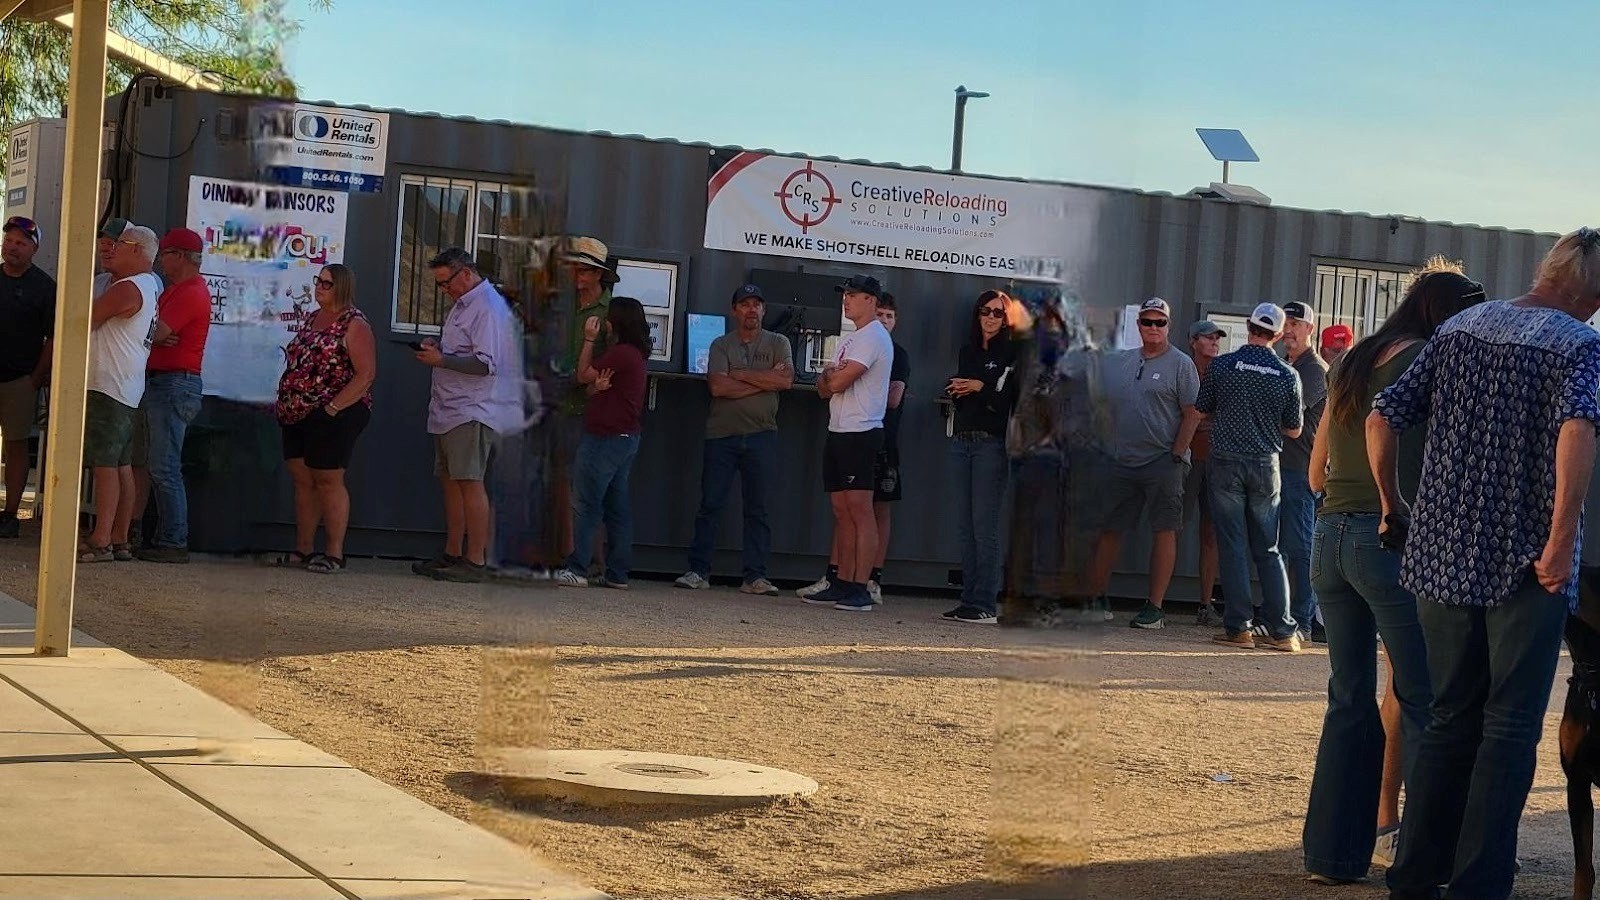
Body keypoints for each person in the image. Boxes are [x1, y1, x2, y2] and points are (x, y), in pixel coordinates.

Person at [1371, 228, 1600, 900]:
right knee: (1508, 729)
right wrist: (1560, 540)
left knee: (1448, 717)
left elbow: (1384, 416)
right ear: (1589, 290)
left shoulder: (1462, 325)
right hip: (1528, 565)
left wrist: (1393, 506)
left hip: (1441, 552)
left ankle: (1415, 877)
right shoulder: (1580, 345)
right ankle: (1478, 886)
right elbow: (1579, 429)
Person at [1300, 265, 1486, 885]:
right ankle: (1428, 858)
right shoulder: (1430, 360)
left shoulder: (1352, 361)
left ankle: (1333, 855)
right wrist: (1394, 505)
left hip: (1328, 538)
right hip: (1387, 540)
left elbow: (1314, 475)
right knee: (1428, 697)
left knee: (1347, 699)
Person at [1086, 297, 1201, 629]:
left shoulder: (1181, 364)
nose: (1153, 328)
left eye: (1160, 322)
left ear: (1169, 325)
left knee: (1164, 530)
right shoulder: (1122, 360)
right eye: (1147, 322)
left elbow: (1193, 412)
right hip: (1121, 461)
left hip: (1163, 461)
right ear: (1138, 325)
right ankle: (1097, 598)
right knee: (1109, 529)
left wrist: (1177, 454)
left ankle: (1155, 608)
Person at [411, 248, 523, 584]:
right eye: (440, 285)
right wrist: (439, 349)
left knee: (469, 482)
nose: (444, 290)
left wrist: (441, 361)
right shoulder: (465, 304)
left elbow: (485, 364)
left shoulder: (487, 308)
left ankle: (475, 559)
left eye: (446, 283)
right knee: (451, 482)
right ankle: (453, 552)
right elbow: (464, 351)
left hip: (471, 408)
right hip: (450, 406)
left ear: (465, 273)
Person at [1197, 302, 1303, 652]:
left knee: (1233, 545)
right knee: (1269, 548)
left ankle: (1239, 627)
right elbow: (1294, 430)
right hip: (1265, 465)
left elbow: (1203, 406)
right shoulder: (1288, 374)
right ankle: (1284, 631)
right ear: (1277, 334)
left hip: (1226, 461)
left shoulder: (1223, 365)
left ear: (1248, 326)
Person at [674, 284, 793, 595]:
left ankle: (755, 577)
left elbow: (786, 380)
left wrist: (739, 374)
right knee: (710, 504)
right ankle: (698, 571)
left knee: (758, 509)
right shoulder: (720, 344)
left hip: (762, 435)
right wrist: (764, 381)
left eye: (757, 304)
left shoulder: (779, 342)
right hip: (721, 436)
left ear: (764, 310)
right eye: (744, 304)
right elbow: (718, 388)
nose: (751, 309)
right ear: (734, 310)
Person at [272, 263, 375, 574]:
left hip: (335, 412)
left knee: (328, 479)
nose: (319, 287)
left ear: (342, 287)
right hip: (297, 411)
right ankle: (303, 549)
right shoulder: (312, 318)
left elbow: (366, 374)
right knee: (303, 479)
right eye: (318, 281)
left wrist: (332, 408)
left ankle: (334, 553)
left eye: (327, 284)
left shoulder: (354, 324)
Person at [801, 274, 893, 613]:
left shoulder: (873, 337)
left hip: (861, 432)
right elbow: (823, 385)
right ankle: (840, 581)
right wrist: (829, 379)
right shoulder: (849, 339)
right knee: (841, 510)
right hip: (838, 429)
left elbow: (837, 381)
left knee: (860, 510)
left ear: (871, 300)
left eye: (853, 294)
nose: (847, 300)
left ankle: (860, 587)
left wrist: (830, 378)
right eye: (845, 294)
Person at [553, 296, 651, 589]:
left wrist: (587, 339)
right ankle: (617, 573)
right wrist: (597, 387)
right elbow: (595, 390)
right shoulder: (635, 354)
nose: (605, 322)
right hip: (624, 437)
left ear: (617, 322)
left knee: (585, 504)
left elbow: (583, 376)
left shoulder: (621, 353)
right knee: (616, 507)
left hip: (605, 438)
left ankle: (578, 568)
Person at [129, 228, 213, 564]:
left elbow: (156, 331)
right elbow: (156, 333)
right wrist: (155, 335)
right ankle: (162, 536)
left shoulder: (191, 292)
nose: (161, 259)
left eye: (165, 253)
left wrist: (154, 335)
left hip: (174, 384)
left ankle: (173, 540)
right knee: (157, 464)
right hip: (165, 382)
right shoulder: (177, 290)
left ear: (180, 256)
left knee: (164, 467)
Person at [79, 225, 161, 563]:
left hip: (108, 385)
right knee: (122, 465)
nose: (112, 249)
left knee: (105, 466)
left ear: (138, 251)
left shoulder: (129, 287)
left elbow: (87, 319)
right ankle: (119, 538)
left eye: (120, 244)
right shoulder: (148, 286)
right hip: (126, 385)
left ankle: (101, 539)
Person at [942, 289, 1021, 624]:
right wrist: (958, 391)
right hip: (963, 439)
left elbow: (1009, 401)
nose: (990, 317)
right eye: (984, 311)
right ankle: (968, 599)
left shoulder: (1013, 352)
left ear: (1007, 319)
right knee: (964, 525)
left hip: (992, 444)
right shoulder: (968, 350)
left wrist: (979, 387)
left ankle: (986, 602)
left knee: (983, 525)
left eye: (997, 313)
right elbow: (969, 398)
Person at [0, 216, 55, 539]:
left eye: (20, 243)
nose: (12, 248)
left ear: (34, 248)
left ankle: (10, 514)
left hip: (21, 380)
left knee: (16, 445)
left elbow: (53, 338)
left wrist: (36, 378)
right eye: (8, 241)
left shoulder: (44, 287)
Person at [1279, 300, 1328, 640]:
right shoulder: (1284, 364)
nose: (1290, 329)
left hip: (1299, 470)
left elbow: (1289, 414)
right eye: (1286, 323)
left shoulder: (1314, 370)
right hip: (1278, 468)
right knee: (1280, 547)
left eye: (1297, 324)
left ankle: (1302, 619)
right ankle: (1281, 616)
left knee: (1299, 547)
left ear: (1310, 329)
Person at [1184, 319, 1225, 625]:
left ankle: (1204, 604)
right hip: (1185, 460)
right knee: (1171, 526)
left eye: (1217, 338)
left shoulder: (1225, 372)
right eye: (1208, 338)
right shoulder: (1182, 369)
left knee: (1211, 532)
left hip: (1216, 461)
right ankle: (1155, 600)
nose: (1213, 342)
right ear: (1193, 341)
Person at [870, 292, 909, 603]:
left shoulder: (900, 355)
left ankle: (874, 580)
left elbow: (893, 398)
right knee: (850, 508)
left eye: (889, 316)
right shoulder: (857, 346)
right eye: (879, 314)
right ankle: (838, 574)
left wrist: (853, 385)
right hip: (854, 436)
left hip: (886, 442)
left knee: (881, 509)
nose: (884, 320)